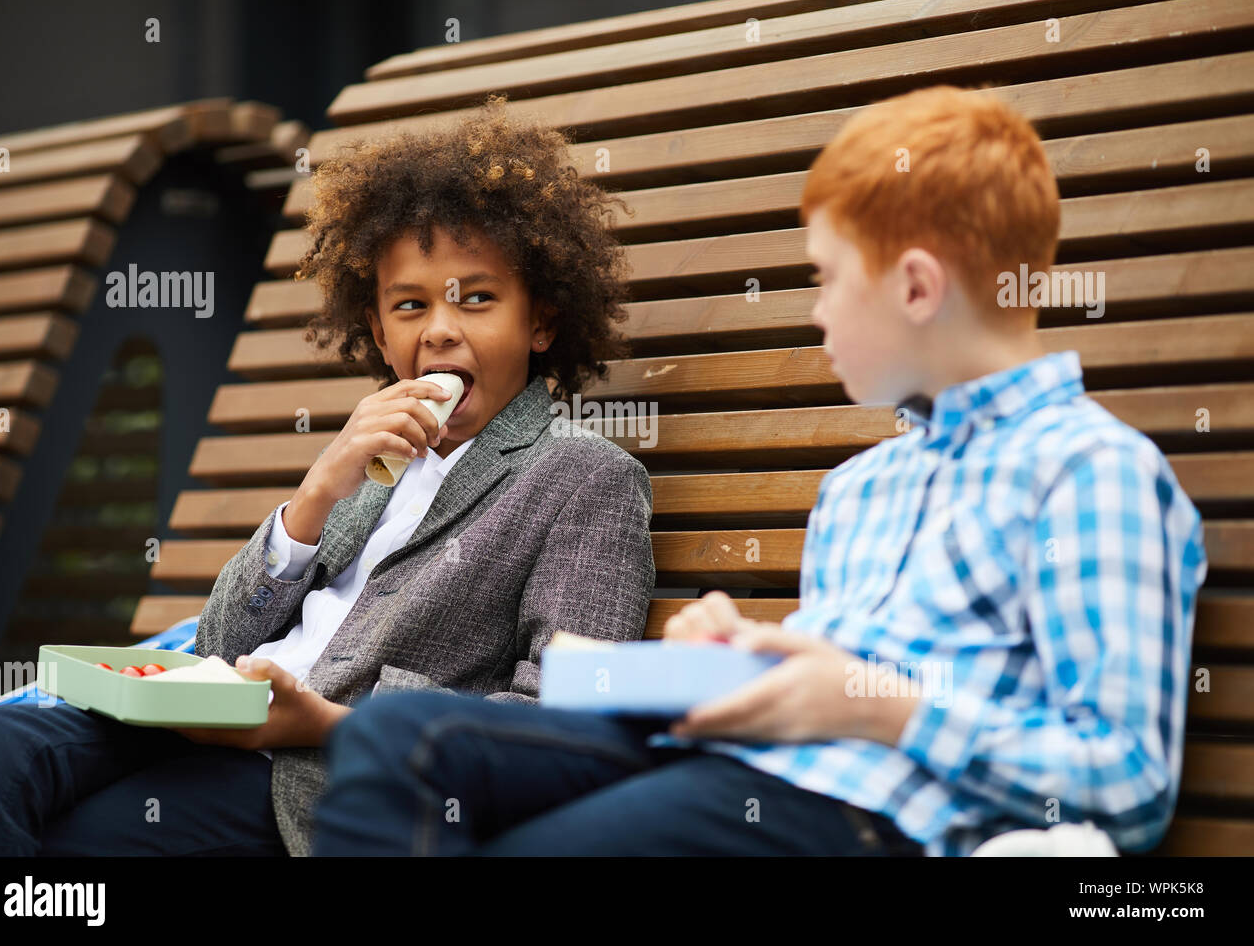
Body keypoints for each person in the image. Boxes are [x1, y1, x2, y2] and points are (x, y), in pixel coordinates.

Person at [309, 85, 1207, 857]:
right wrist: (745, 661)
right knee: (397, 741)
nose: (817, 315)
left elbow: (1125, 782)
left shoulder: (1090, 476)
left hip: (864, 812)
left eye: (826, 280)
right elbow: (823, 682)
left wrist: (878, 708)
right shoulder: (865, 489)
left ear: (918, 288)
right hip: (739, 761)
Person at [0, 97, 655, 856]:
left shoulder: (586, 478)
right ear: (381, 333)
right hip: (203, 724)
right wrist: (313, 500)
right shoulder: (377, 458)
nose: (441, 328)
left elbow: (559, 726)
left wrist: (317, 720)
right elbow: (217, 642)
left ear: (541, 321)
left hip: (317, 775)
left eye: (477, 299)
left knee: (88, 841)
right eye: (409, 306)